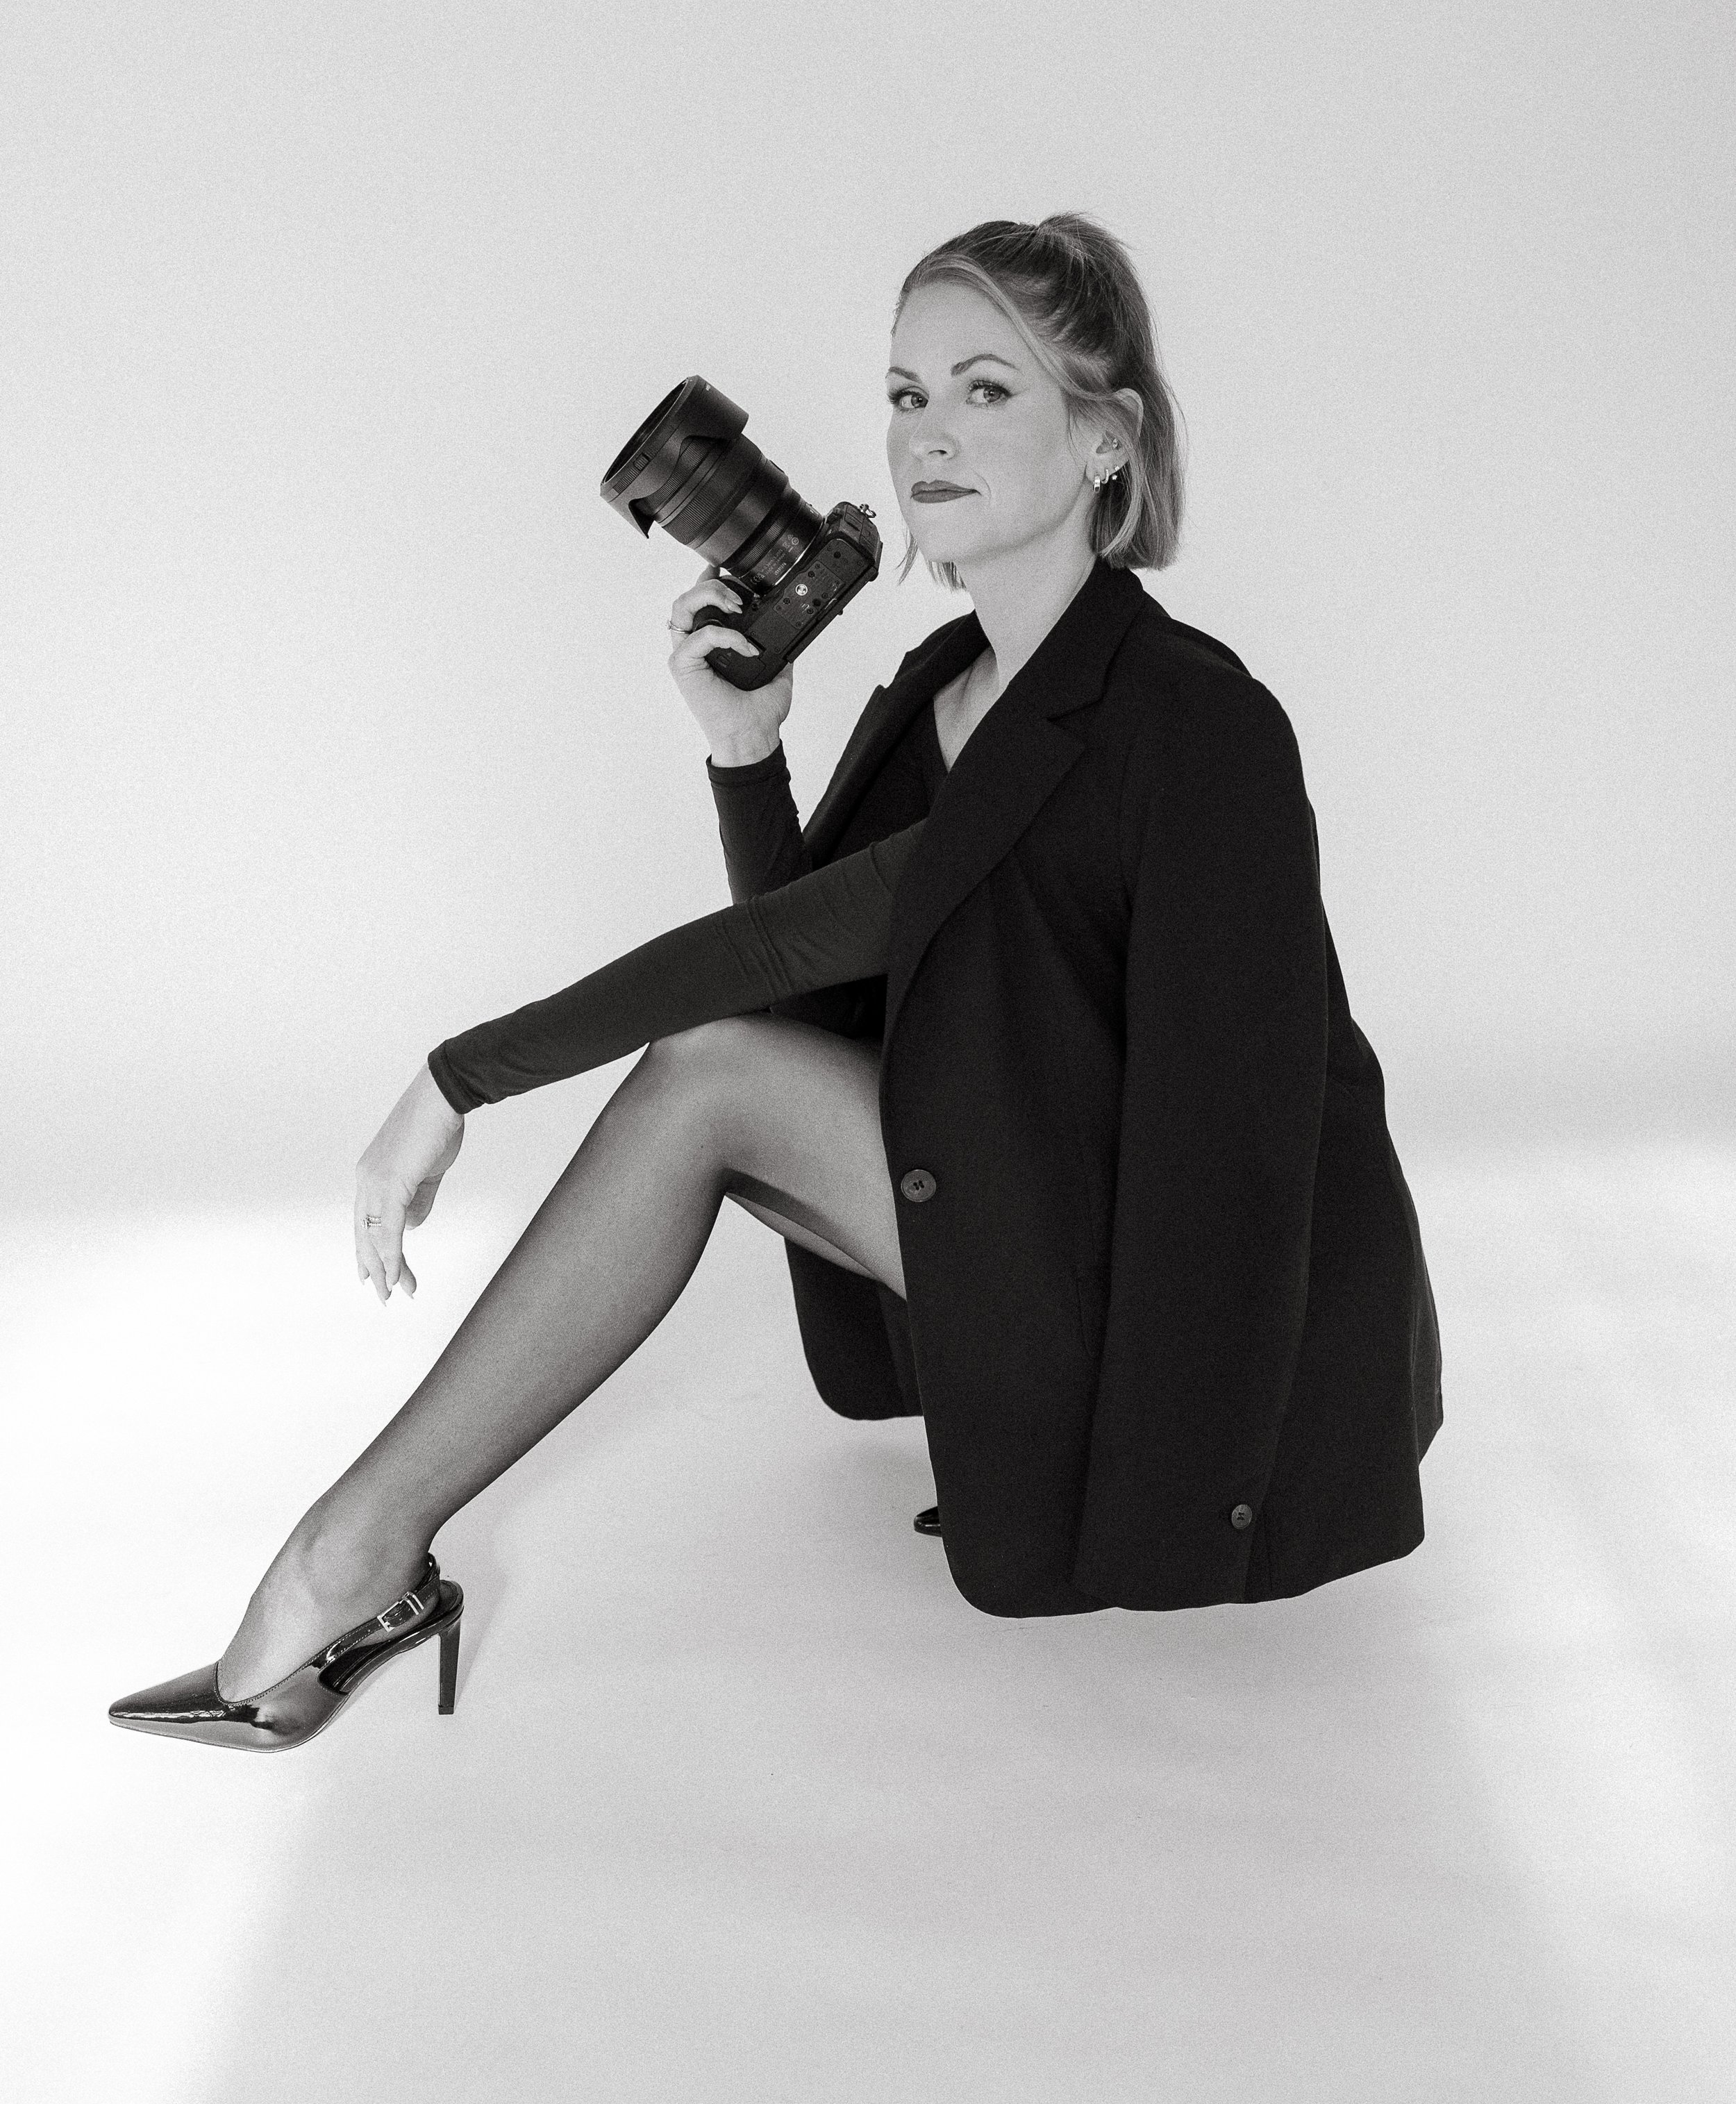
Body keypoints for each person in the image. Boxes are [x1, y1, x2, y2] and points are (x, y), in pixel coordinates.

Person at [110, 213, 1442, 1752]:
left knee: (708, 1076)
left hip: (1214, 1378)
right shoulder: (941, 692)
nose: (925, 437)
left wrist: (459, 1073)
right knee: (733, 1068)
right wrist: (745, 756)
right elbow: (817, 995)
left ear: (1104, 441)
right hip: (1055, 1233)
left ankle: (341, 1569)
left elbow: (1244, 1168)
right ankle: (357, 1569)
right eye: (900, 394)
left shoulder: (1191, 724)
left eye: (984, 392)